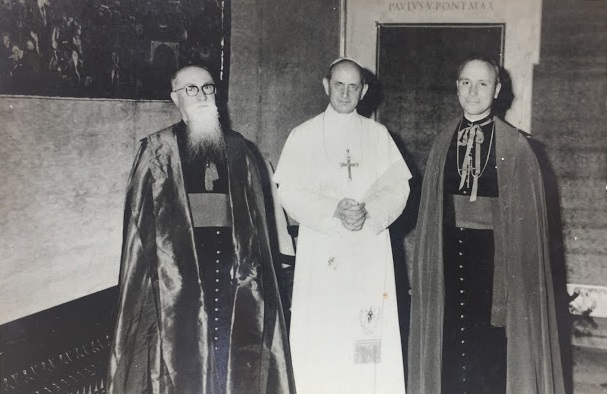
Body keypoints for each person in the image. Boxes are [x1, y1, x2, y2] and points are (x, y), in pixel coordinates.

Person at [107, 65, 295, 394]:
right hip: (179, 284)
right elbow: (139, 234)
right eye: (191, 89)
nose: (202, 96)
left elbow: (256, 228)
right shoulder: (157, 151)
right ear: (175, 98)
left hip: (234, 281)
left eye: (207, 88)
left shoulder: (240, 150)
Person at [407, 56, 565, 394]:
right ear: (457, 87)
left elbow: (526, 233)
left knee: (492, 350)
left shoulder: (517, 146)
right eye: (466, 82)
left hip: (497, 265)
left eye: (482, 83)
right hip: (450, 259)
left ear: (497, 90)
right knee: (450, 343)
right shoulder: (442, 141)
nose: (473, 91)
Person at [273, 57, 411, 394]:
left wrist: (368, 211)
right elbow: (288, 189)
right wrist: (333, 208)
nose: (346, 93)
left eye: (353, 87)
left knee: (365, 333)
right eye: (339, 85)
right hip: (323, 246)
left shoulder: (379, 136)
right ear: (326, 86)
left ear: (363, 91)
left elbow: (398, 187)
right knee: (325, 331)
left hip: (367, 247)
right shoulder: (303, 135)